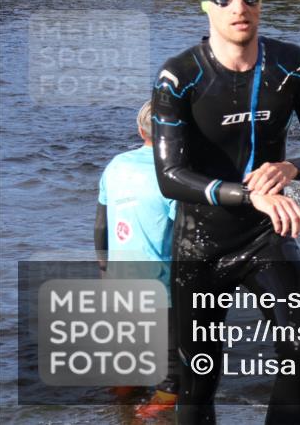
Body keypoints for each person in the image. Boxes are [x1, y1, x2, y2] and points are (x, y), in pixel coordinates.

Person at [152, 0, 300, 424]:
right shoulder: (179, 77)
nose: (239, 6)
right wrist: (248, 193)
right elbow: (170, 176)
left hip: (264, 234)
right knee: (199, 381)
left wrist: (292, 167)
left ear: (261, 3)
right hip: (200, 244)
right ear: (207, 7)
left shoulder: (291, 64)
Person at [95, 101, 180, 417]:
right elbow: (186, 237)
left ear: (139, 130)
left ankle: (125, 398)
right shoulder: (173, 174)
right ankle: (155, 408)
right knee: (173, 368)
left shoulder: (115, 165)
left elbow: (101, 224)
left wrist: (104, 268)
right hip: (160, 285)